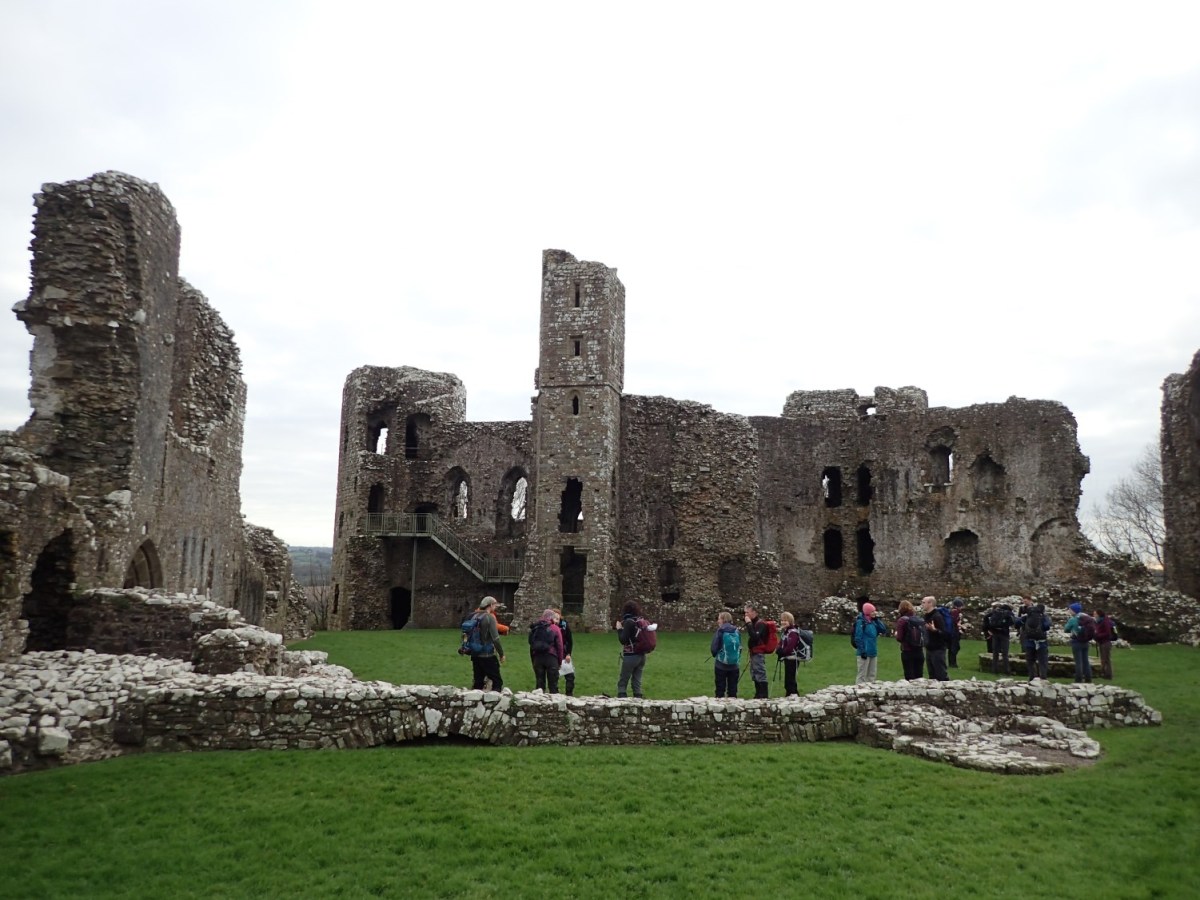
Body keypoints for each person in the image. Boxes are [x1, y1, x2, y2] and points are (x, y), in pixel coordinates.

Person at [469, 596, 506, 691]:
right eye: (494, 605)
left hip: (475, 654)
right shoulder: (490, 617)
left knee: (478, 682)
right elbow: (496, 639)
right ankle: (493, 702)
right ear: (490, 605)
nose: (495, 607)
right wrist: (501, 654)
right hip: (487, 655)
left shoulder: (474, 616)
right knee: (497, 681)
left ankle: (475, 702)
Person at [615, 600, 648, 698]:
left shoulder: (629, 622)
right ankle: (638, 701)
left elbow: (623, 640)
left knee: (623, 680)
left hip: (631, 655)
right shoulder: (639, 621)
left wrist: (619, 629)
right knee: (637, 680)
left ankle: (622, 701)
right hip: (642, 655)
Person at [529, 608, 565, 693]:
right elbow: (560, 646)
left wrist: (533, 660)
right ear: (551, 618)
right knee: (553, 685)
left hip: (537, 658)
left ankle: (539, 704)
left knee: (539, 686)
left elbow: (531, 645)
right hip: (551, 657)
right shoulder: (555, 628)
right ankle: (555, 704)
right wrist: (559, 662)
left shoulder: (535, 628)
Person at [852, 602, 889, 684]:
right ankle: (859, 692)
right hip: (864, 652)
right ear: (868, 612)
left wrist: (877, 620)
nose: (874, 613)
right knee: (862, 675)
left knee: (872, 675)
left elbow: (883, 630)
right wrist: (862, 651)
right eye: (872, 611)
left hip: (873, 651)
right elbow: (858, 637)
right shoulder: (861, 622)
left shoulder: (873, 622)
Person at [1016, 596, 1050, 681]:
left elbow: (1016, 622)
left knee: (1030, 660)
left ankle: (1032, 677)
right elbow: (1047, 626)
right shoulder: (1043, 617)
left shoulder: (1027, 616)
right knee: (1043, 660)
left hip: (1029, 641)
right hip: (1041, 642)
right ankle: (1043, 677)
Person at [711, 610, 741, 698]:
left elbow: (714, 648)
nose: (718, 621)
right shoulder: (736, 631)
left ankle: (719, 708)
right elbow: (740, 646)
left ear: (723, 620)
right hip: (735, 665)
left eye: (719, 619)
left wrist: (715, 654)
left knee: (720, 689)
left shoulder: (720, 631)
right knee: (733, 689)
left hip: (721, 664)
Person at [894, 599, 925, 680]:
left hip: (907, 650)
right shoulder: (918, 619)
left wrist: (896, 634)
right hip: (919, 650)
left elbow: (899, 638)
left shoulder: (902, 620)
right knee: (919, 676)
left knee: (909, 676)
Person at [744, 603, 770, 699]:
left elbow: (755, 637)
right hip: (753, 652)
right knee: (754, 674)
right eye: (745, 613)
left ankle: (763, 695)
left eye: (747, 612)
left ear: (754, 612)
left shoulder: (761, 624)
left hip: (758, 653)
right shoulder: (754, 623)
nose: (745, 615)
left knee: (760, 673)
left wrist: (748, 624)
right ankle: (758, 694)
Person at [921, 596, 950, 681]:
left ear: (930, 603)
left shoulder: (937, 616)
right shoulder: (926, 616)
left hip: (938, 649)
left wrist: (935, 630)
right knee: (932, 676)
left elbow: (944, 634)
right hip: (929, 648)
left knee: (940, 674)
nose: (922, 604)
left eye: (924, 602)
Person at [983, 601, 1016, 675]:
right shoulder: (1007, 613)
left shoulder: (995, 612)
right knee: (1005, 653)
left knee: (995, 653)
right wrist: (1005, 625)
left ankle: (994, 670)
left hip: (995, 634)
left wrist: (989, 628)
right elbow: (1013, 621)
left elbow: (986, 617)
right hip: (1004, 634)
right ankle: (1007, 670)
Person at [1065, 601, 1094, 683]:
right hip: (1086, 641)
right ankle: (1088, 679)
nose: (1069, 611)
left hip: (1076, 641)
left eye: (1070, 609)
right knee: (1086, 661)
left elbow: (1066, 629)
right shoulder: (1086, 617)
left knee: (1078, 662)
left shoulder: (1073, 619)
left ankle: (1078, 679)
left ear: (1074, 610)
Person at [775, 611, 803, 696]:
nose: (783, 622)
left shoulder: (793, 633)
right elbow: (781, 643)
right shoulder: (786, 631)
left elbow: (790, 647)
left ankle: (793, 696)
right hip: (787, 658)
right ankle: (790, 695)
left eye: (785, 620)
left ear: (790, 621)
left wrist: (781, 652)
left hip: (792, 658)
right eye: (782, 620)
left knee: (790, 680)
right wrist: (778, 649)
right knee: (788, 680)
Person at [553, 608, 576, 695]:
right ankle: (555, 694)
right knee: (554, 676)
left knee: (570, 676)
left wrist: (568, 654)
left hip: (564, 653)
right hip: (554, 654)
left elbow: (569, 640)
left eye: (557, 616)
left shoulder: (565, 625)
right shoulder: (549, 626)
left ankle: (569, 694)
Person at [1093, 609, 1117, 680]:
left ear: (1099, 614)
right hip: (1101, 642)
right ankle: (1104, 673)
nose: (1094, 615)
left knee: (1106, 659)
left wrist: (1097, 635)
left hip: (1105, 642)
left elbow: (1107, 633)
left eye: (1095, 614)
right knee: (1103, 659)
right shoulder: (1099, 621)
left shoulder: (1105, 622)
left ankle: (1108, 675)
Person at [949, 598, 966, 668]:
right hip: (954, 632)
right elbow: (955, 622)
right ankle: (953, 663)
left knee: (954, 648)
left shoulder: (955, 612)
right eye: (961, 605)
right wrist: (963, 626)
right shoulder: (955, 612)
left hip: (955, 631)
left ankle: (952, 663)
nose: (962, 607)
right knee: (954, 648)